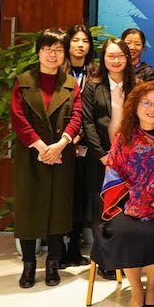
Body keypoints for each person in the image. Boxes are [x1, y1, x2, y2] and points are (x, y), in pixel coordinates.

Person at [92, 82, 154, 307]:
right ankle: (136, 290)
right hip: (127, 201)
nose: (152, 109)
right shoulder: (123, 137)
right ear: (135, 106)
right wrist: (134, 199)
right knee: (123, 230)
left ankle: (152, 287)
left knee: (152, 231)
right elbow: (114, 175)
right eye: (146, 103)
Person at [9, 28, 84, 289]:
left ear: (64, 54)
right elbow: (18, 117)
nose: (53, 54)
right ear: (39, 52)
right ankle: (29, 264)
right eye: (48, 49)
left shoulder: (70, 83)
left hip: (62, 155)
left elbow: (77, 116)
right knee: (29, 207)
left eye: (58, 50)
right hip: (31, 154)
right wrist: (42, 148)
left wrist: (61, 144)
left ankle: (53, 262)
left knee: (58, 207)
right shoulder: (23, 81)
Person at [81, 39, 137, 242]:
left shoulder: (137, 86)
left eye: (120, 56)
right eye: (111, 56)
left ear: (127, 58)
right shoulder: (92, 86)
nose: (116, 60)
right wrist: (103, 156)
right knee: (100, 208)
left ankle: (122, 252)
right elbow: (88, 123)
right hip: (101, 159)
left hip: (131, 159)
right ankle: (102, 254)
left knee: (126, 208)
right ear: (103, 59)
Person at [61, 23, 98, 268]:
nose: (80, 45)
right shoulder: (59, 71)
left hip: (88, 143)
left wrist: (81, 134)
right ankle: (60, 248)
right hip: (61, 142)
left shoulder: (95, 72)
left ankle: (74, 246)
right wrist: (68, 136)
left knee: (82, 195)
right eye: (76, 40)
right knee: (63, 194)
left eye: (85, 41)